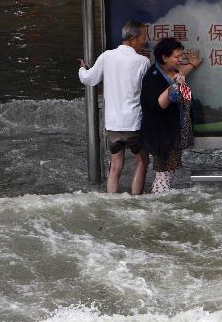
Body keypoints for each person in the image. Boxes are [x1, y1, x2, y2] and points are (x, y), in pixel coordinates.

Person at [78, 20, 151, 194]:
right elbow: (148, 93)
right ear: (132, 39)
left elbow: (89, 79)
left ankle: (112, 202)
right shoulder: (143, 62)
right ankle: (136, 199)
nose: (144, 41)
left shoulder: (106, 56)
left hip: (113, 124)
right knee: (142, 162)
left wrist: (82, 69)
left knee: (116, 164)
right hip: (134, 123)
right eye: (143, 37)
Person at [139, 37, 202, 194]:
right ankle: (157, 202)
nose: (180, 60)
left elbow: (179, 75)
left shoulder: (171, 72)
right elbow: (159, 105)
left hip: (172, 133)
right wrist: (176, 86)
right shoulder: (152, 78)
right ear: (164, 57)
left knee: (167, 172)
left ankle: (157, 200)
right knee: (164, 173)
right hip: (163, 136)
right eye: (176, 57)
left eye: (181, 56)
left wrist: (192, 64)